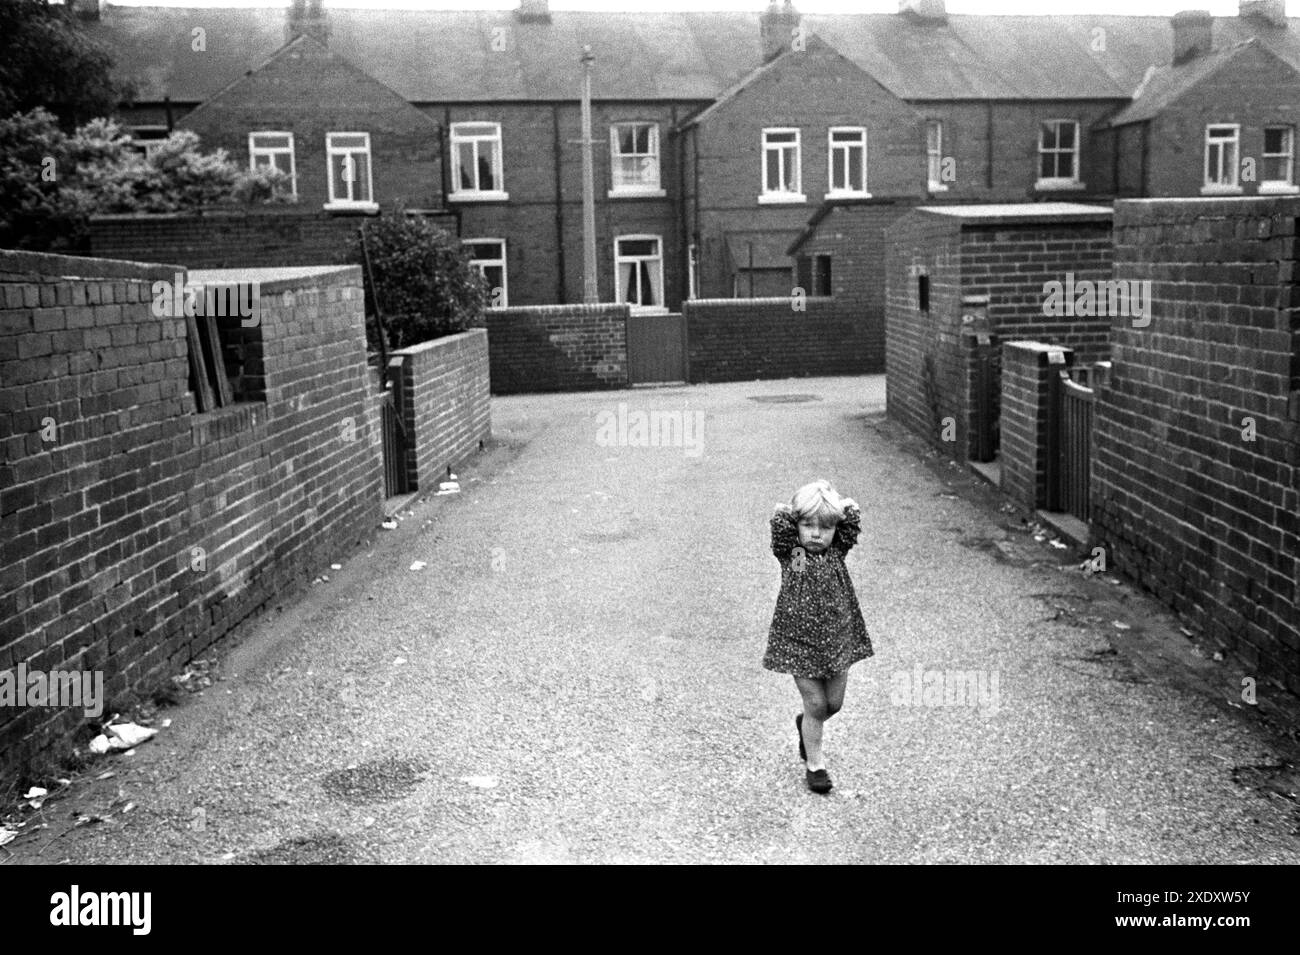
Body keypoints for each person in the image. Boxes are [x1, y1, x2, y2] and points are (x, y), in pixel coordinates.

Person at [763, 479, 873, 794]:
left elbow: (850, 518)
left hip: (838, 639)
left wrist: (832, 502)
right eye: (808, 525)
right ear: (797, 527)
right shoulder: (794, 556)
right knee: (815, 703)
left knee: (832, 705)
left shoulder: (837, 552)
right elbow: (781, 523)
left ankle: (806, 725)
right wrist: (798, 510)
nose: (815, 534)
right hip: (799, 643)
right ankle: (815, 765)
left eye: (824, 528)